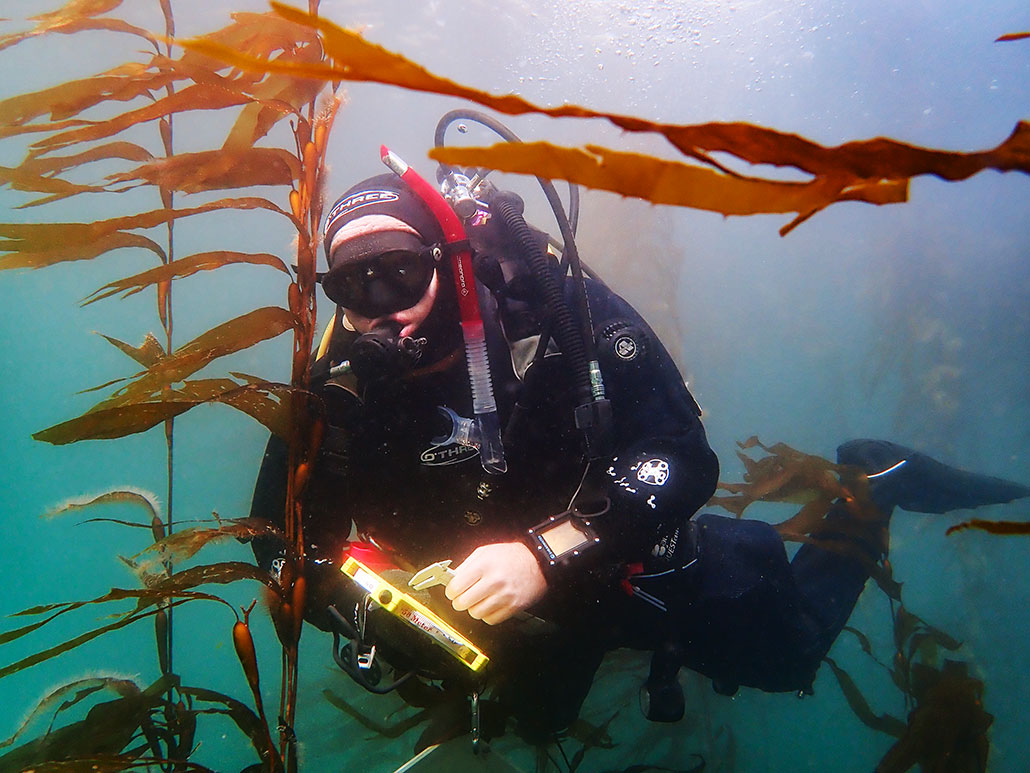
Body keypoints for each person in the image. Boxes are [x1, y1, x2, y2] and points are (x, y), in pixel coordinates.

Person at [249, 147, 1030, 743]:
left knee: (789, 654)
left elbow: (682, 454)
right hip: (497, 622)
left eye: (401, 273)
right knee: (535, 722)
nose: (384, 311)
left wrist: (546, 553)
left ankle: (876, 476)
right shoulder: (335, 391)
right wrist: (373, 606)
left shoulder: (557, 318)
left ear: (448, 263)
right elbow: (278, 544)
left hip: (617, 570)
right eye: (355, 288)